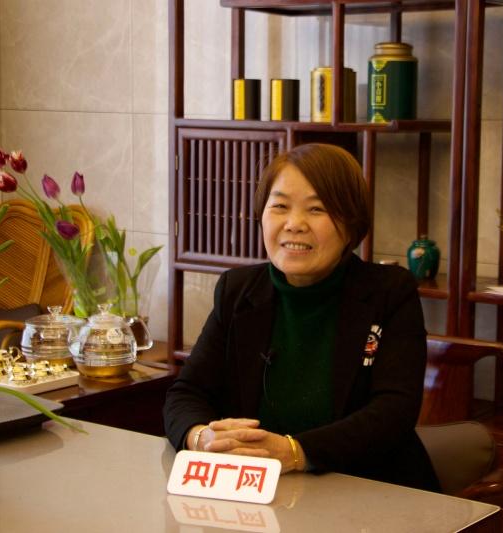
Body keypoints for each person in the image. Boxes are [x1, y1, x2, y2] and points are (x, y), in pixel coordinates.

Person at [163, 143, 439, 491]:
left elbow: (394, 411)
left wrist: (295, 452)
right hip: (259, 496)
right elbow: (186, 393)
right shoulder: (238, 290)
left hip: (369, 491)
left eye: (317, 209)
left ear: (351, 222)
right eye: (279, 206)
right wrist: (202, 437)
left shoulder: (389, 291)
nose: (294, 224)